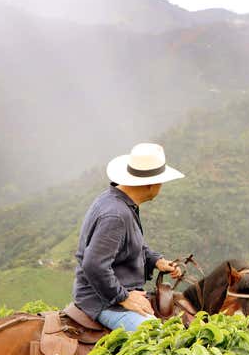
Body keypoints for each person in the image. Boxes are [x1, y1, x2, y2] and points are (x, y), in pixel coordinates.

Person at [72, 142, 184, 331]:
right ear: (150, 184)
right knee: (161, 340)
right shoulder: (116, 215)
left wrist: (156, 261)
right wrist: (124, 297)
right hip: (102, 300)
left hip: (114, 293)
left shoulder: (120, 203)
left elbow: (131, 245)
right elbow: (93, 265)